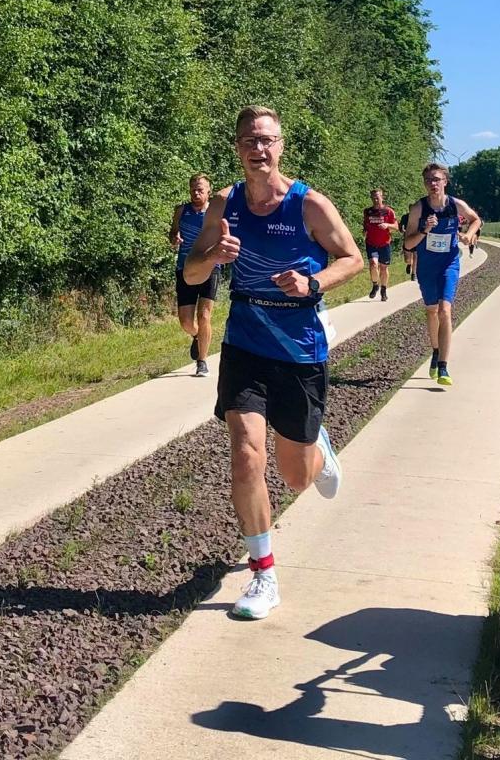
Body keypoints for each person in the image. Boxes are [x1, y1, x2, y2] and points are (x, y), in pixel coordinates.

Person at [184, 106, 363, 620]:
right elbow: (192, 274)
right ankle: (264, 573)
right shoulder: (225, 203)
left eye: (266, 140)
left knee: (297, 477)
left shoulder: (309, 204)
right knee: (245, 455)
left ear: (280, 145)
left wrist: (313, 282)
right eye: (249, 141)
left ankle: (317, 447)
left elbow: (351, 258)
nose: (258, 149)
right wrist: (213, 257)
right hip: (245, 343)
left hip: (300, 349)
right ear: (237, 147)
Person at [403, 163, 481, 386]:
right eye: (428, 180)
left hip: (449, 263)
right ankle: (436, 351)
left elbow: (476, 219)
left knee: (444, 310)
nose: (433, 184)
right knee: (431, 311)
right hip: (427, 267)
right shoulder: (418, 209)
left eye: (436, 179)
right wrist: (424, 230)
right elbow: (408, 244)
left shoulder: (455, 205)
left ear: (445, 181)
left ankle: (444, 367)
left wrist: (469, 234)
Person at [169, 173, 218, 377]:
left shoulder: (215, 212)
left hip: (210, 266)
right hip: (185, 267)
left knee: (204, 315)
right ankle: (199, 336)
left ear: (209, 191)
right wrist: (175, 237)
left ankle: (202, 361)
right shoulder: (182, 210)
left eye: (200, 190)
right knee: (186, 321)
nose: (196, 193)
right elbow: (173, 233)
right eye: (193, 190)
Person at [362, 188, 398, 301]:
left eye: (377, 198)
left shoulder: (388, 211)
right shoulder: (367, 211)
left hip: (384, 244)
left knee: (383, 268)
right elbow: (365, 225)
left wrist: (387, 225)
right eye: (373, 198)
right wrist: (364, 231)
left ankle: (383, 289)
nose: (375, 200)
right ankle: (375, 285)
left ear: (382, 197)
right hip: (371, 243)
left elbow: (396, 226)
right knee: (373, 264)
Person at [399, 210, 417, 280]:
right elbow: (400, 228)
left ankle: (413, 274)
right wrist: (402, 230)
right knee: (407, 259)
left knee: (416, 256)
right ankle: (409, 264)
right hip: (407, 239)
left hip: (416, 238)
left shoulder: (418, 216)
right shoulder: (405, 217)